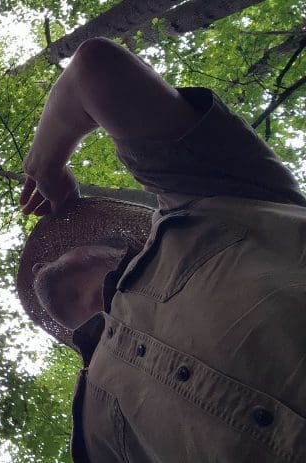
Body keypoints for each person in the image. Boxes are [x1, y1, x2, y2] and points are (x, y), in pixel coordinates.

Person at [16, 37, 306, 462]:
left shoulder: (208, 198)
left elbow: (94, 70)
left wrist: (45, 166)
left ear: (117, 248)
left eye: (52, 256)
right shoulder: (92, 437)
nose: (39, 262)